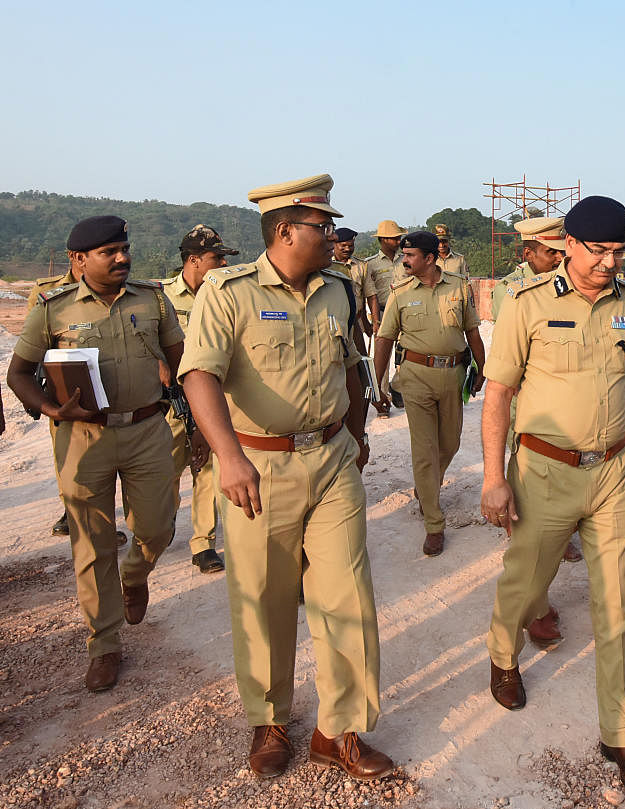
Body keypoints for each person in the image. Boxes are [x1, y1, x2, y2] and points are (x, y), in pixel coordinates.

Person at [179, 174, 392, 780]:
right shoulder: (229, 291)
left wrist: (355, 433)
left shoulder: (337, 291)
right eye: (323, 227)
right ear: (284, 230)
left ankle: (339, 730)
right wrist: (228, 456)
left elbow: (350, 366)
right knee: (265, 599)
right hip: (259, 467)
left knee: (347, 595)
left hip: (331, 463)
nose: (332, 237)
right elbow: (199, 376)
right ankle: (270, 720)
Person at [480, 195, 625, 796]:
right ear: (570, 245)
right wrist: (493, 476)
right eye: (599, 250)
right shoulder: (527, 304)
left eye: (618, 251)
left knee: (618, 603)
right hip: (545, 470)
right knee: (527, 582)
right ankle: (503, 655)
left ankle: (623, 733)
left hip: (613, 470)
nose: (610, 263)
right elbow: (500, 392)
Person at [7, 215, 183, 692]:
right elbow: (18, 373)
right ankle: (103, 644)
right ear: (78, 260)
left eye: (124, 248)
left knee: (158, 527)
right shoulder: (52, 307)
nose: (122, 257)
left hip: (148, 428)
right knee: (91, 543)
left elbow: (182, 360)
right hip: (83, 439)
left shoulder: (153, 298)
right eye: (109, 251)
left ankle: (135, 573)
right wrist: (49, 408)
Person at [373, 230, 486, 556]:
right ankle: (434, 523)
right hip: (415, 378)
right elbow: (384, 340)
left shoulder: (459, 288)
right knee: (425, 448)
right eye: (403, 255)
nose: (404, 260)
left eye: (410, 256)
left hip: (452, 376)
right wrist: (377, 384)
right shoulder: (400, 292)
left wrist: (481, 368)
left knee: (449, 443)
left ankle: (426, 488)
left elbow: (473, 332)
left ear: (429, 258)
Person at [492, 216, 581, 570]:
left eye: (562, 251)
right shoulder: (513, 290)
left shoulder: (569, 285)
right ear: (528, 253)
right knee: (528, 472)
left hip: (560, 396)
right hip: (525, 393)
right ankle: (525, 540)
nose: (558, 259)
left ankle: (562, 534)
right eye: (549, 253)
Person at [162, 224, 241, 573]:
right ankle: (157, 526)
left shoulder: (228, 294)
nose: (223, 263)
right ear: (194, 260)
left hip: (210, 398)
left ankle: (203, 543)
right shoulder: (161, 298)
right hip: (169, 403)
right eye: (217, 257)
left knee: (206, 467)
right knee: (163, 473)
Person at [26, 257, 83, 537]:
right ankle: (70, 507)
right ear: (76, 257)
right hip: (63, 381)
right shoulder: (46, 291)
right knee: (66, 448)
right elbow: (32, 340)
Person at [365, 220, 407, 416]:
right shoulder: (370, 264)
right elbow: (368, 294)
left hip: (406, 313)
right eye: (393, 238)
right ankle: (382, 398)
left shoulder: (407, 260)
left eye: (398, 237)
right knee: (382, 358)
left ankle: (397, 387)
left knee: (407, 355)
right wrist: (373, 320)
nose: (397, 240)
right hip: (382, 314)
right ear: (382, 239)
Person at [333, 227, 379, 336]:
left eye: (350, 245)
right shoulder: (325, 266)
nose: (347, 249)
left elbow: (371, 296)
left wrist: (375, 323)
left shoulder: (362, 266)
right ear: (334, 244)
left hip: (356, 323)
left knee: (360, 352)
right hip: (333, 323)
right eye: (343, 246)